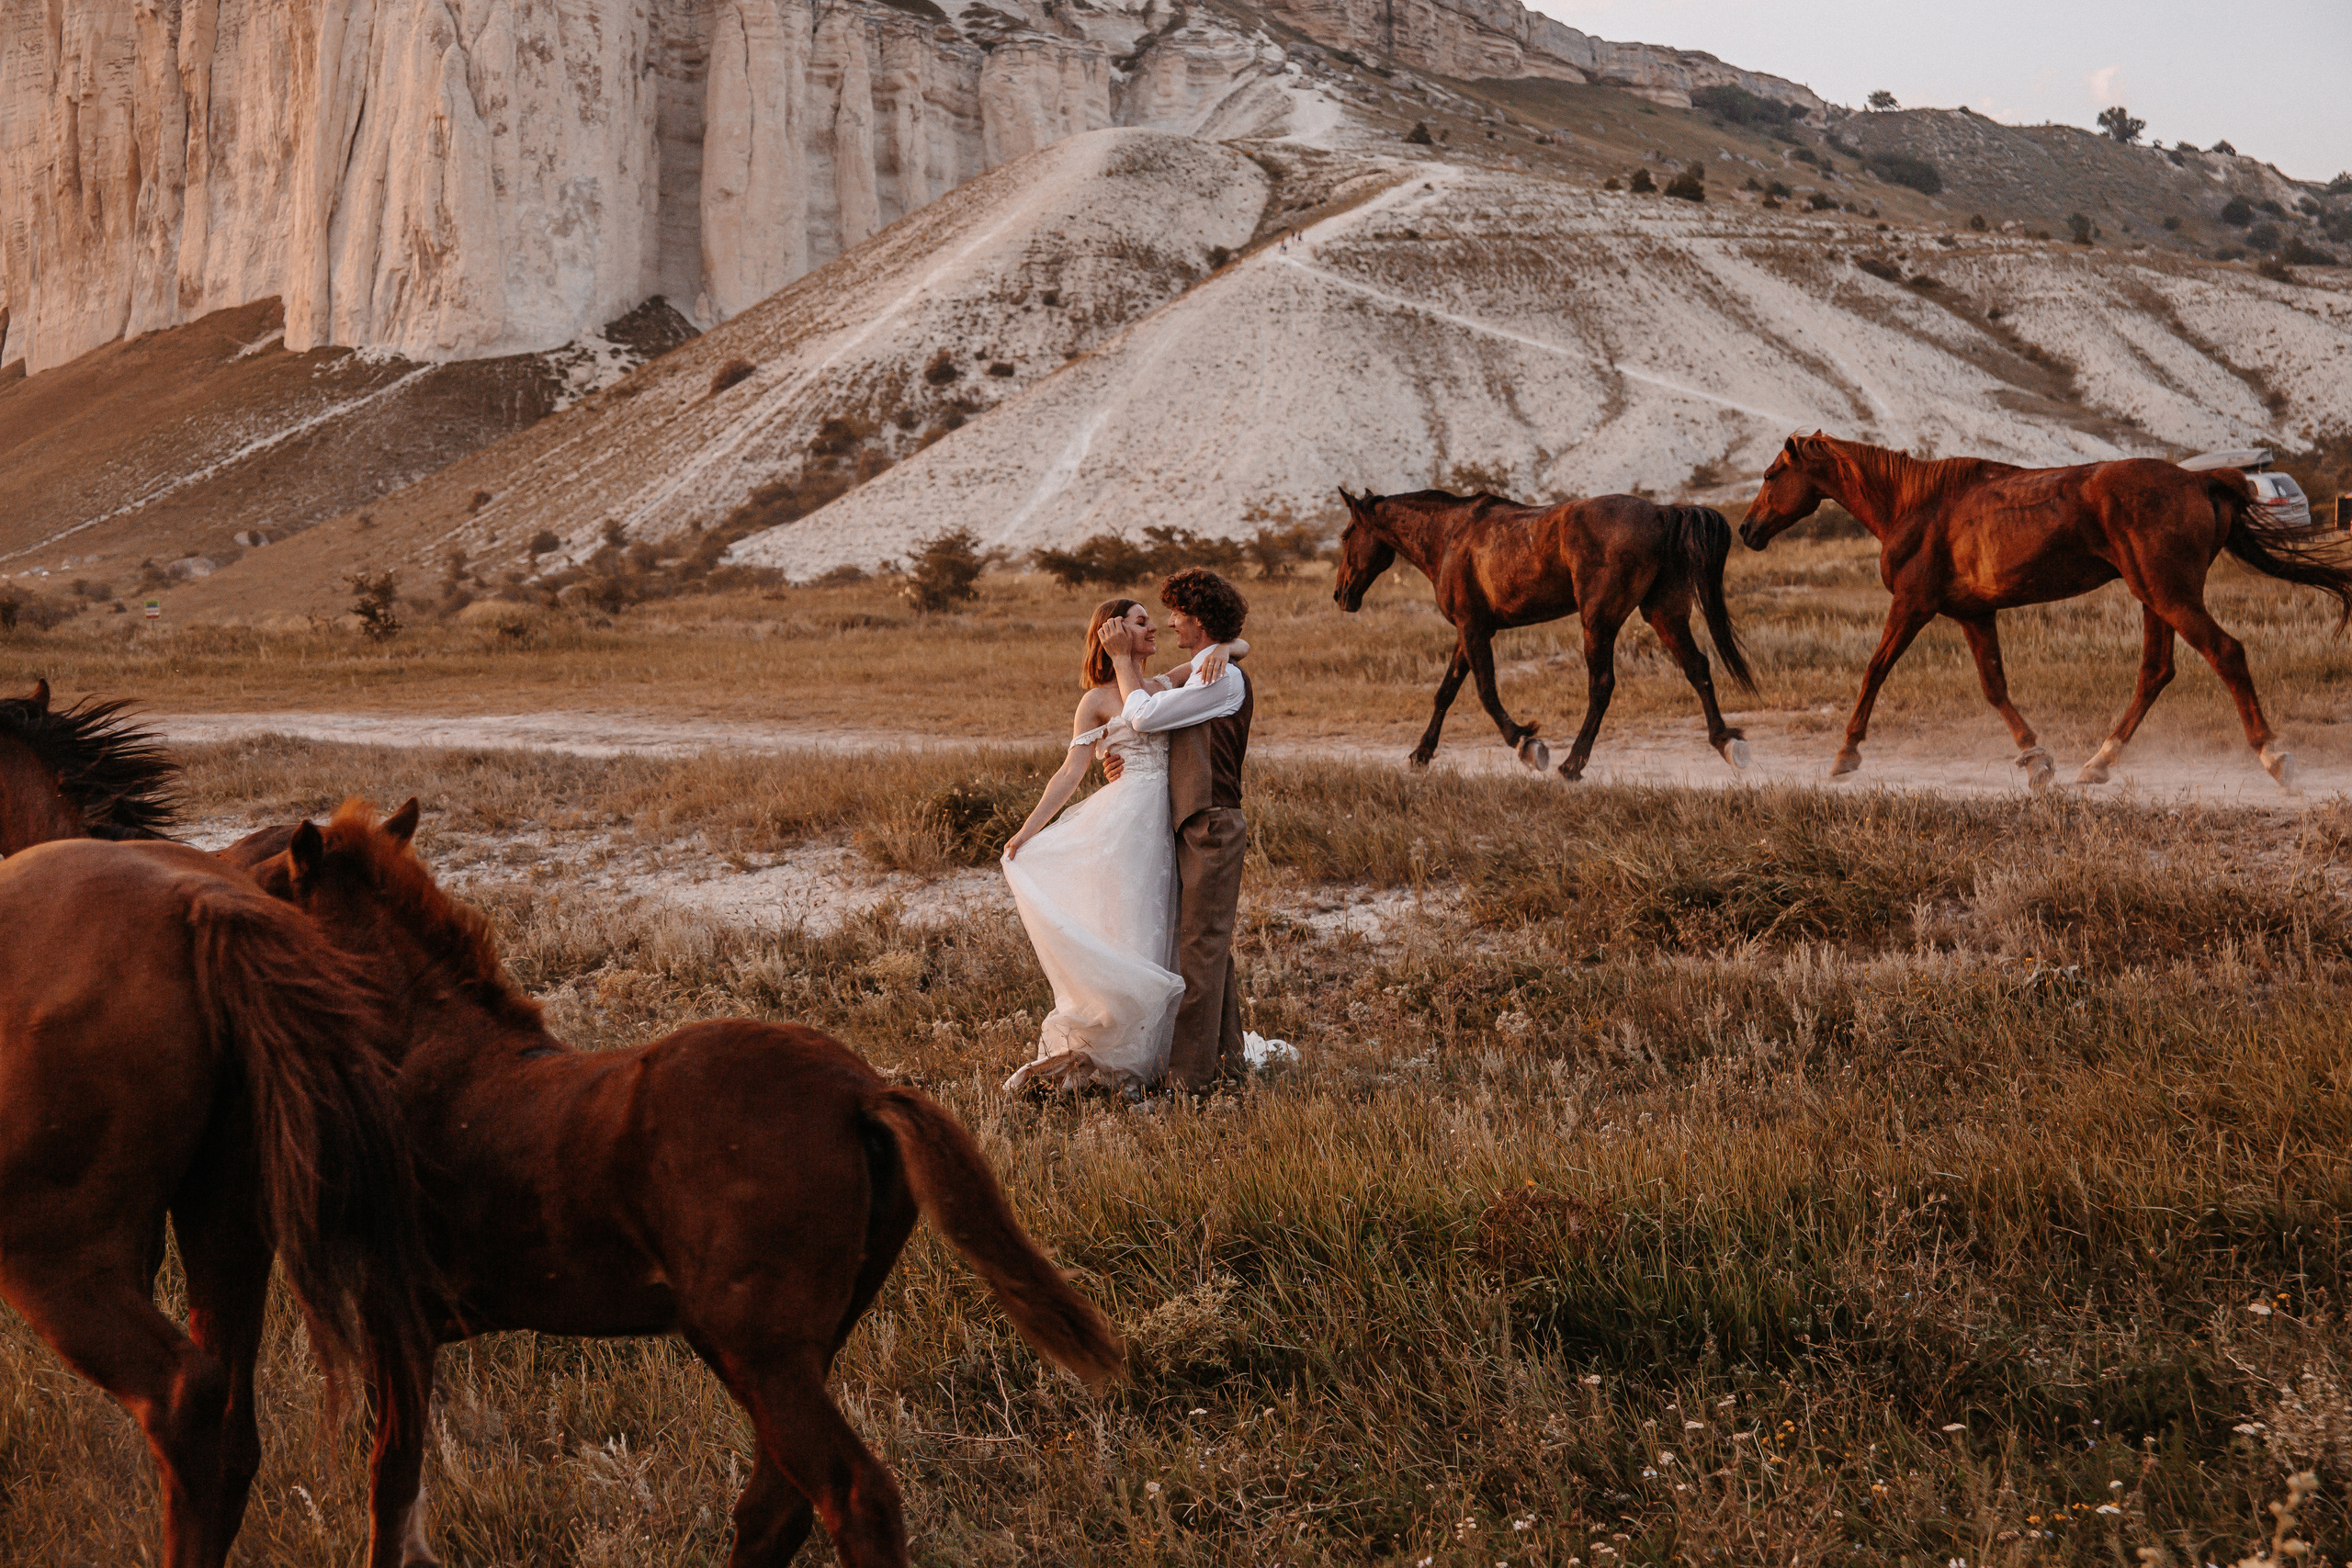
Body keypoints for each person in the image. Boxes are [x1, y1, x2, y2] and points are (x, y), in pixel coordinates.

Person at [1000, 597, 1247, 1095]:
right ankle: (1128, 1049)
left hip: (1173, 820)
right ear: (1113, 633)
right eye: (1140, 622)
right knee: (1132, 927)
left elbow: (1223, 654)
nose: (1154, 626)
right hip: (1126, 824)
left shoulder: (1163, 684)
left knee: (1172, 928)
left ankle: (1174, 1051)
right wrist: (1027, 831)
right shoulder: (1095, 700)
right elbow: (1070, 771)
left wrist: (1228, 643)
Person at [1097, 568, 1253, 1093]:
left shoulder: (1220, 677)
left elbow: (1142, 716)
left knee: (1202, 950)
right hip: (1193, 823)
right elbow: (1145, 708)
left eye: (1178, 617)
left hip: (1212, 824)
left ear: (1200, 621)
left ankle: (1189, 1082)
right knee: (1209, 949)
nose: (1170, 625)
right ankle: (1228, 1062)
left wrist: (1122, 661)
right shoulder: (1210, 666)